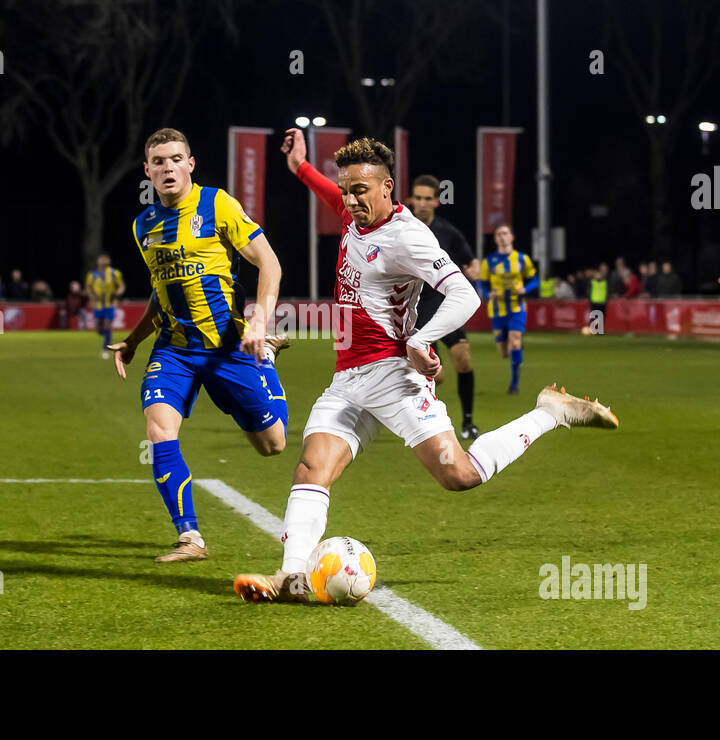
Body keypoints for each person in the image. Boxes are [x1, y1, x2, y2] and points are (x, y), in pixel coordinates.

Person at [231, 131, 619, 603]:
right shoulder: (353, 212)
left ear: (387, 187)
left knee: (459, 475)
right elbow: (330, 193)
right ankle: (291, 578)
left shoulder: (407, 236)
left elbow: (466, 294)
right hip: (348, 380)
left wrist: (420, 338)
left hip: (394, 376)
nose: (351, 200)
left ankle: (550, 412)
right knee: (312, 470)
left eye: (361, 190)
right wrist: (301, 168)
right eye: (347, 189)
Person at [107, 127, 290, 563]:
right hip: (173, 350)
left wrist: (260, 319)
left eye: (175, 159)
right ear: (147, 170)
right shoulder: (143, 226)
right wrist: (134, 340)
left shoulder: (217, 204)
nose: (168, 168)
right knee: (158, 431)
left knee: (273, 445)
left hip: (228, 346)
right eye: (159, 162)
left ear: (190, 164)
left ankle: (264, 358)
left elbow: (269, 262)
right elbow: (161, 291)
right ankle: (190, 537)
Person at [408, 174, 481, 440]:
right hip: (416, 309)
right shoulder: (403, 228)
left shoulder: (449, 233)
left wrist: (474, 269)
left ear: (437, 201)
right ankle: (428, 424)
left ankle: (469, 422)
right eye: (418, 198)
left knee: (463, 359)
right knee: (433, 377)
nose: (423, 203)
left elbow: (471, 262)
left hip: (443, 305)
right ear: (411, 199)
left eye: (428, 198)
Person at [480, 223, 538, 394]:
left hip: (517, 307)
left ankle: (514, 384)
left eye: (505, 233)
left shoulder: (521, 259)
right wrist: (487, 293)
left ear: (512, 237)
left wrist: (525, 290)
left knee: (515, 341)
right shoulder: (489, 261)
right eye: (499, 234)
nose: (502, 237)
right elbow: (482, 283)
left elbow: (535, 280)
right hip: (497, 310)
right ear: (496, 239)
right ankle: (512, 348)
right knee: (504, 351)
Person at [86, 252, 125, 359]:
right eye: (101, 259)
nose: (103, 261)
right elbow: (89, 287)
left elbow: (121, 286)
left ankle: (105, 348)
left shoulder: (114, 273)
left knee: (108, 325)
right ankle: (104, 335)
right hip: (98, 305)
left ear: (109, 261)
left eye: (105, 259)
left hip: (110, 304)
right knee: (99, 329)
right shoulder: (92, 274)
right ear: (98, 261)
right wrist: (92, 298)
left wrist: (117, 293)